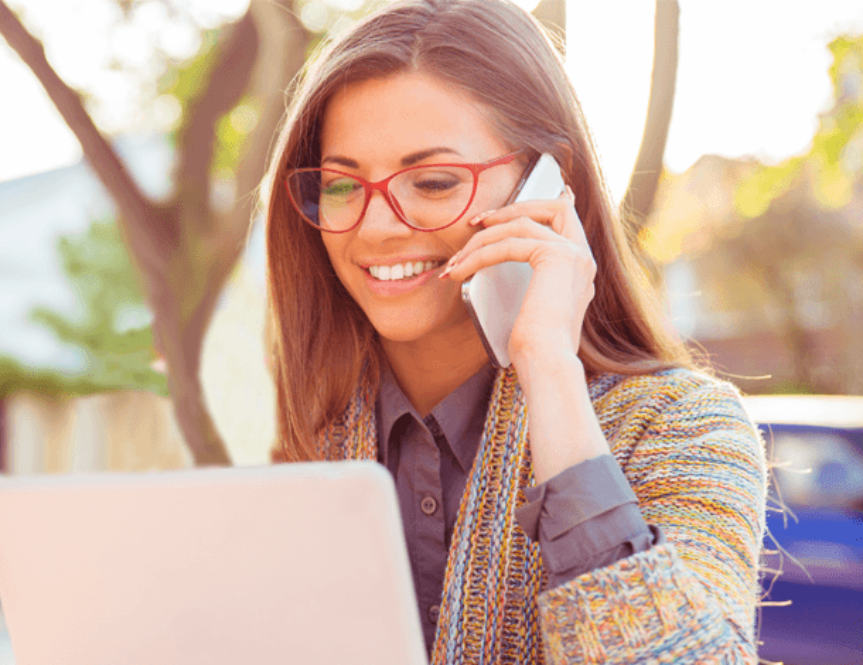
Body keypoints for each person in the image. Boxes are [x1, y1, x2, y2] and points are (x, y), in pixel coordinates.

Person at [262, 0, 767, 663]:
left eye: (435, 181)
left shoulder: (686, 429)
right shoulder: (291, 437)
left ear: (551, 184)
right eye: (340, 184)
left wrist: (549, 368)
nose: (377, 227)